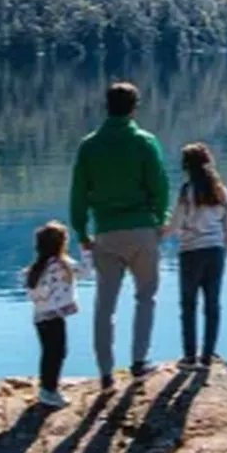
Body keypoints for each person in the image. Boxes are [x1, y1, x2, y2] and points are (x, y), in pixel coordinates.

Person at [70, 82, 170, 391]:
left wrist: (81, 232)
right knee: (146, 297)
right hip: (142, 230)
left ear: (107, 106)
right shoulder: (145, 142)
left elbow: (79, 194)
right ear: (134, 109)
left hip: (106, 233)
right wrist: (159, 219)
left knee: (105, 306)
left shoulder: (89, 145)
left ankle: (105, 373)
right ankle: (139, 363)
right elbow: (160, 186)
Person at [163, 143, 227, 368]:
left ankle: (189, 356)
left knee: (188, 305)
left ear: (187, 166)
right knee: (212, 305)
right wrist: (224, 251)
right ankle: (208, 355)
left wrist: (160, 231)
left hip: (191, 252)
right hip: (215, 252)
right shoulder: (221, 191)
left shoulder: (187, 191)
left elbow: (175, 225)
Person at [24, 220, 88, 409]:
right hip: (53, 317)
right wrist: (87, 250)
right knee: (57, 353)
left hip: (40, 317)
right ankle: (49, 391)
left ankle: (47, 387)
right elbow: (85, 271)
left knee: (49, 353)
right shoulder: (62, 264)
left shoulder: (37, 267)